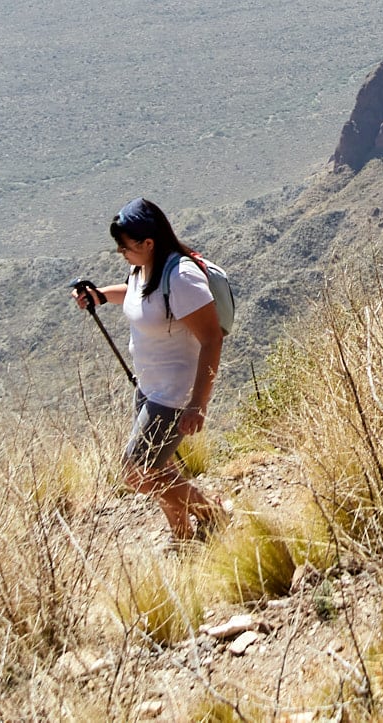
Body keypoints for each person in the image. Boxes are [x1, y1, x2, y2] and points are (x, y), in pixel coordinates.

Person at [70, 198, 226, 544]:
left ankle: (212, 515)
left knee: (137, 472)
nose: (121, 253)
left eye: (125, 247)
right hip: (149, 387)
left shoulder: (182, 277)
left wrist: (198, 403)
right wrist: (99, 296)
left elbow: (212, 339)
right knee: (160, 467)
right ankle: (182, 536)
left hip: (173, 396)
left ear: (148, 243)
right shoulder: (144, 268)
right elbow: (139, 297)